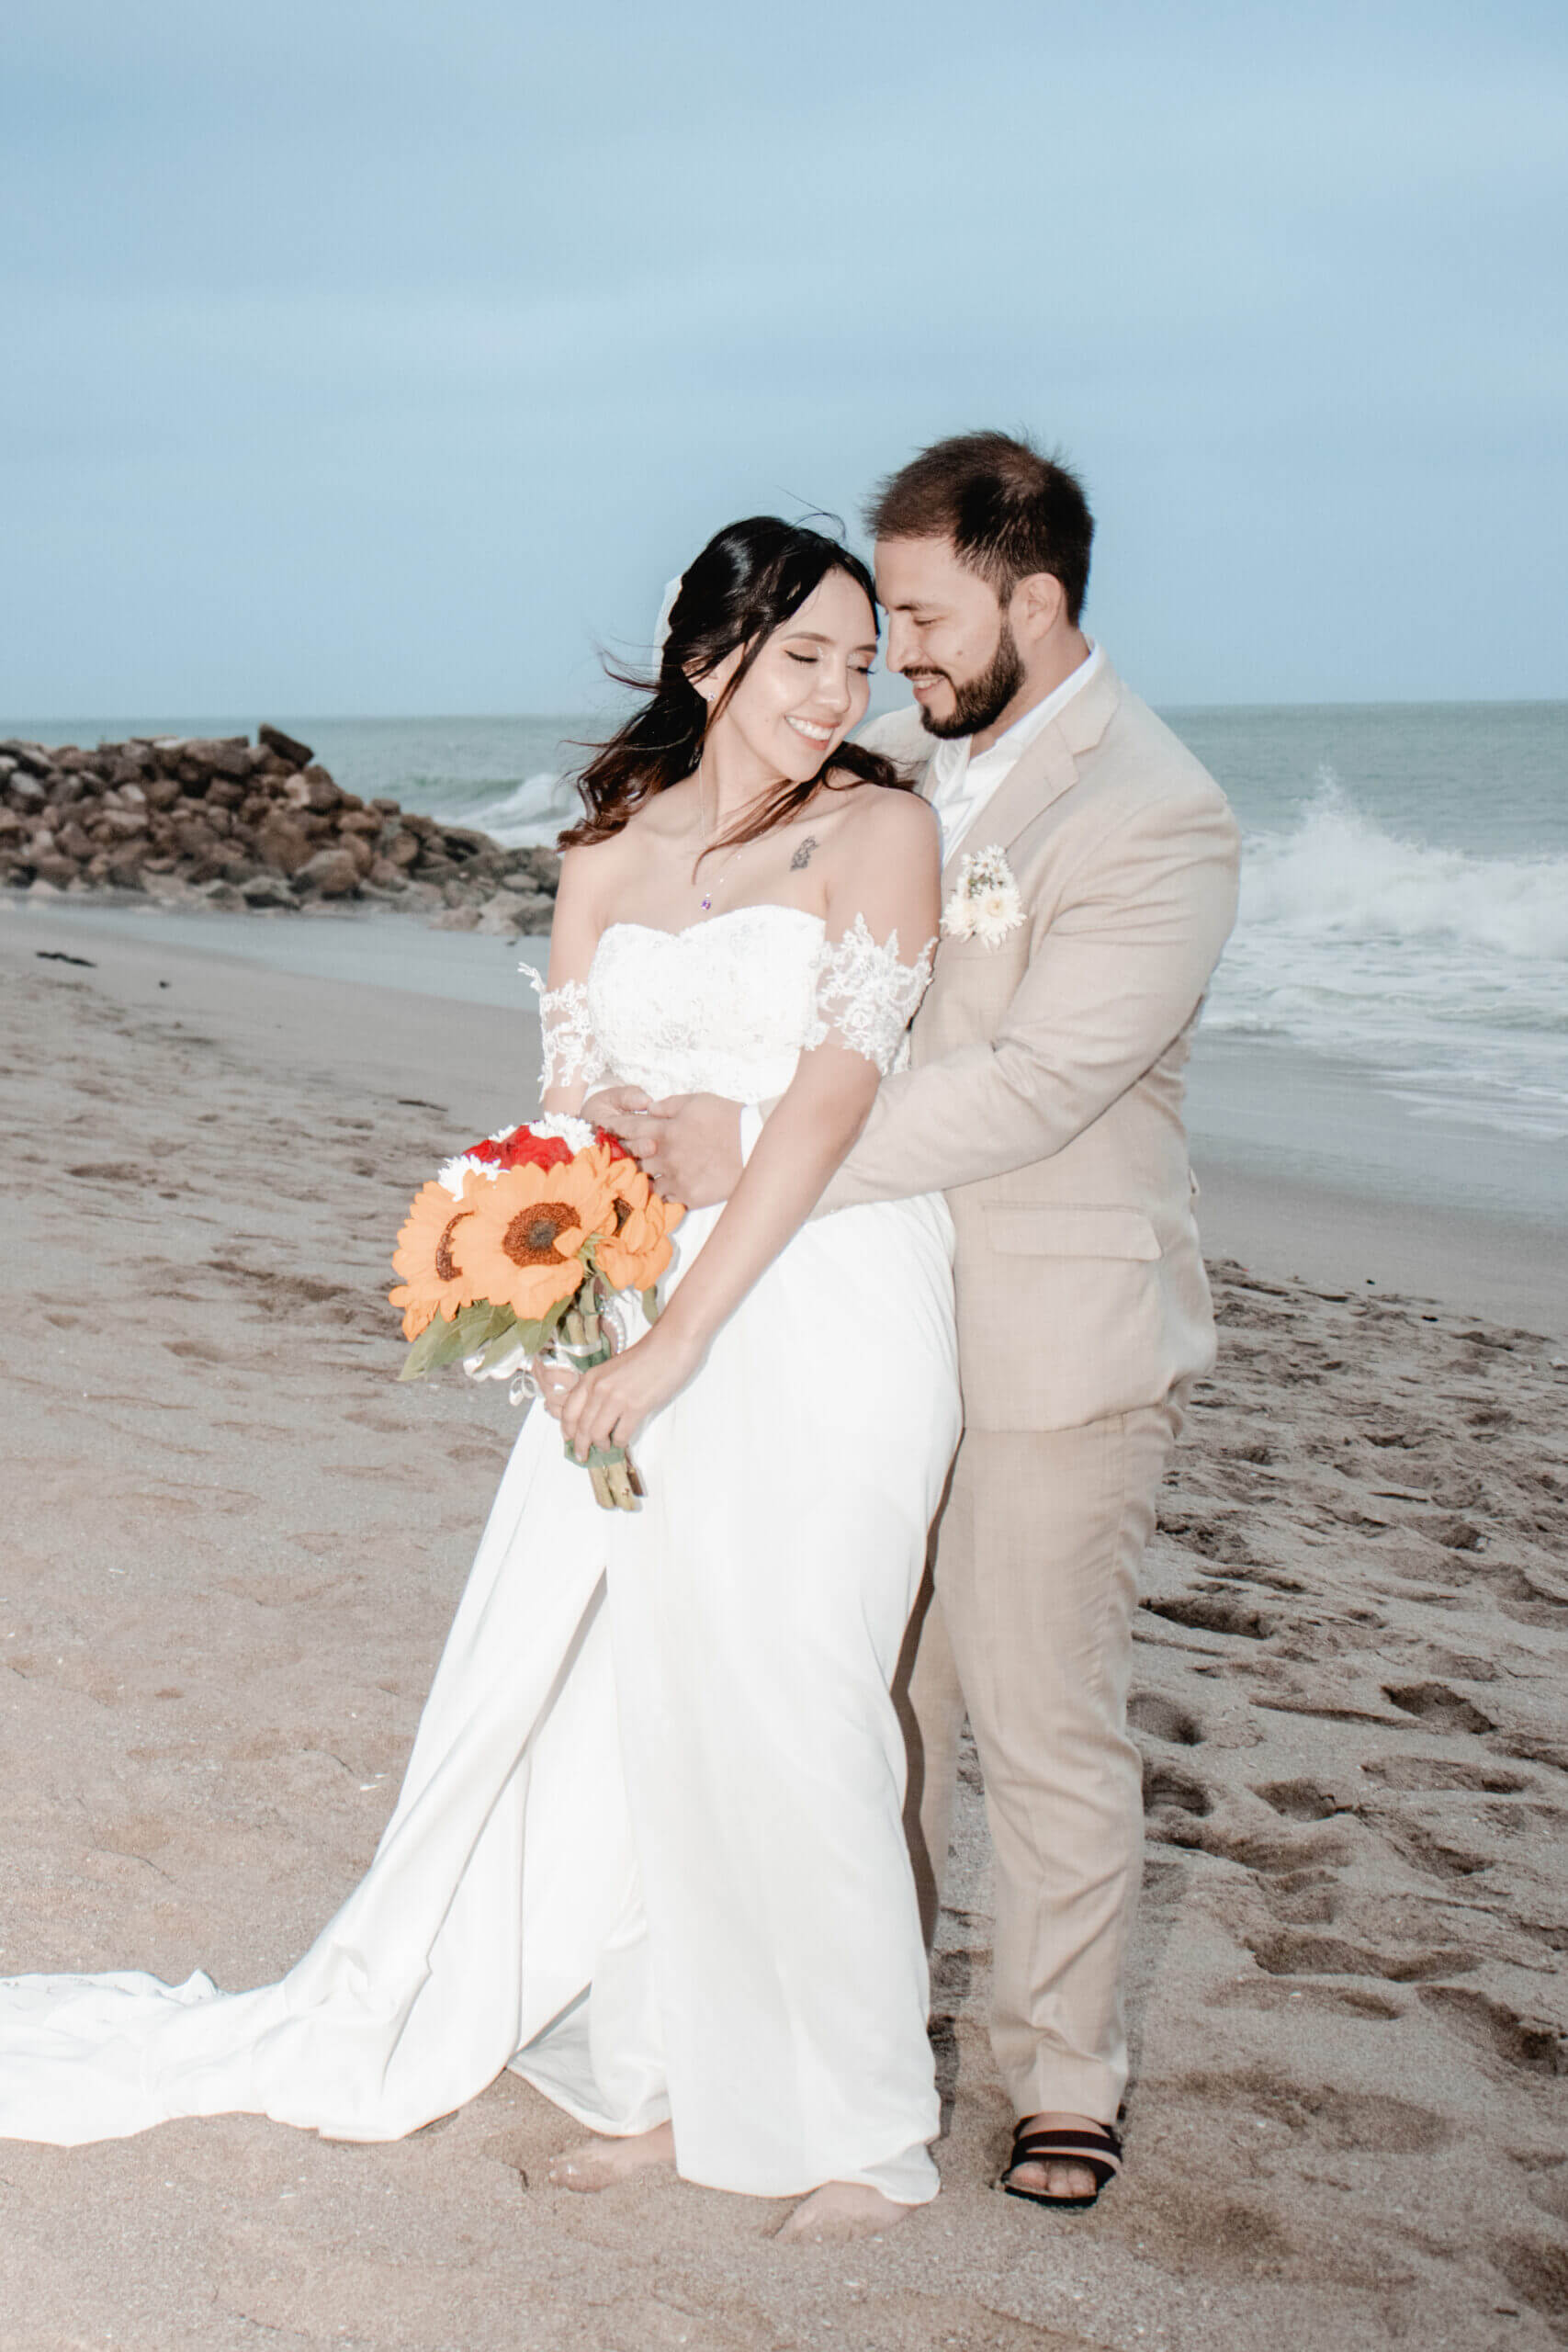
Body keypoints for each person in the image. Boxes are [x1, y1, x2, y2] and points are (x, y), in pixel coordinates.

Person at [0, 518, 962, 2245]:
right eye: (803, 656)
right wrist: (586, 1258)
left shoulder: (880, 832)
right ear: (707, 659)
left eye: (858, 662)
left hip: (826, 1295)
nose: (838, 692)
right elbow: (565, 1122)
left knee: (805, 1694)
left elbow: (835, 1100)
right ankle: (676, 2087)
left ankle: (868, 2136)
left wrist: (682, 1331)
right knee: (645, 1694)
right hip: (635, 1296)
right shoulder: (604, 860)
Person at [589, 434, 1242, 2211]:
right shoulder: (897, 764)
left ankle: (1062, 2082)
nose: (899, 660)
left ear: (1037, 600)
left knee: (1036, 1721)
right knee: (860, 1708)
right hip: (859, 1321)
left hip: (1045, 1331)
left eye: (929, 621)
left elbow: (1037, 1084)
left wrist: (757, 1154)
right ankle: (845, 2055)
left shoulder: (1155, 813)